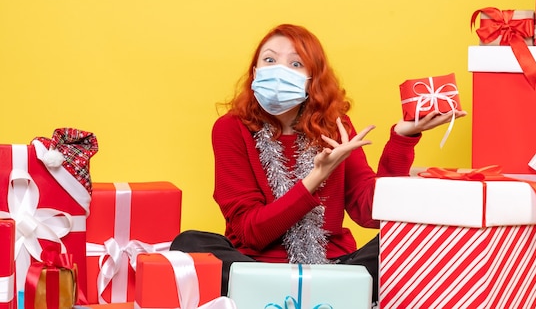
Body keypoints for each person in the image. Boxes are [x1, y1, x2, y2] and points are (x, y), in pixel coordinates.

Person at [170, 23, 466, 303]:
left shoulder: (335, 127)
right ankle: (320, 296)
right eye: (270, 60)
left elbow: (370, 212)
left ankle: (295, 296)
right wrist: (316, 176)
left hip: (333, 266)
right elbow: (250, 232)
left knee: (407, 240)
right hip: (257, 266)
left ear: (312, 80)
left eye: (295, 64)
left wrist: (403, 137)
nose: (279, 71)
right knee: (190, 243)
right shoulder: (231, 128)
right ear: (255, 71)